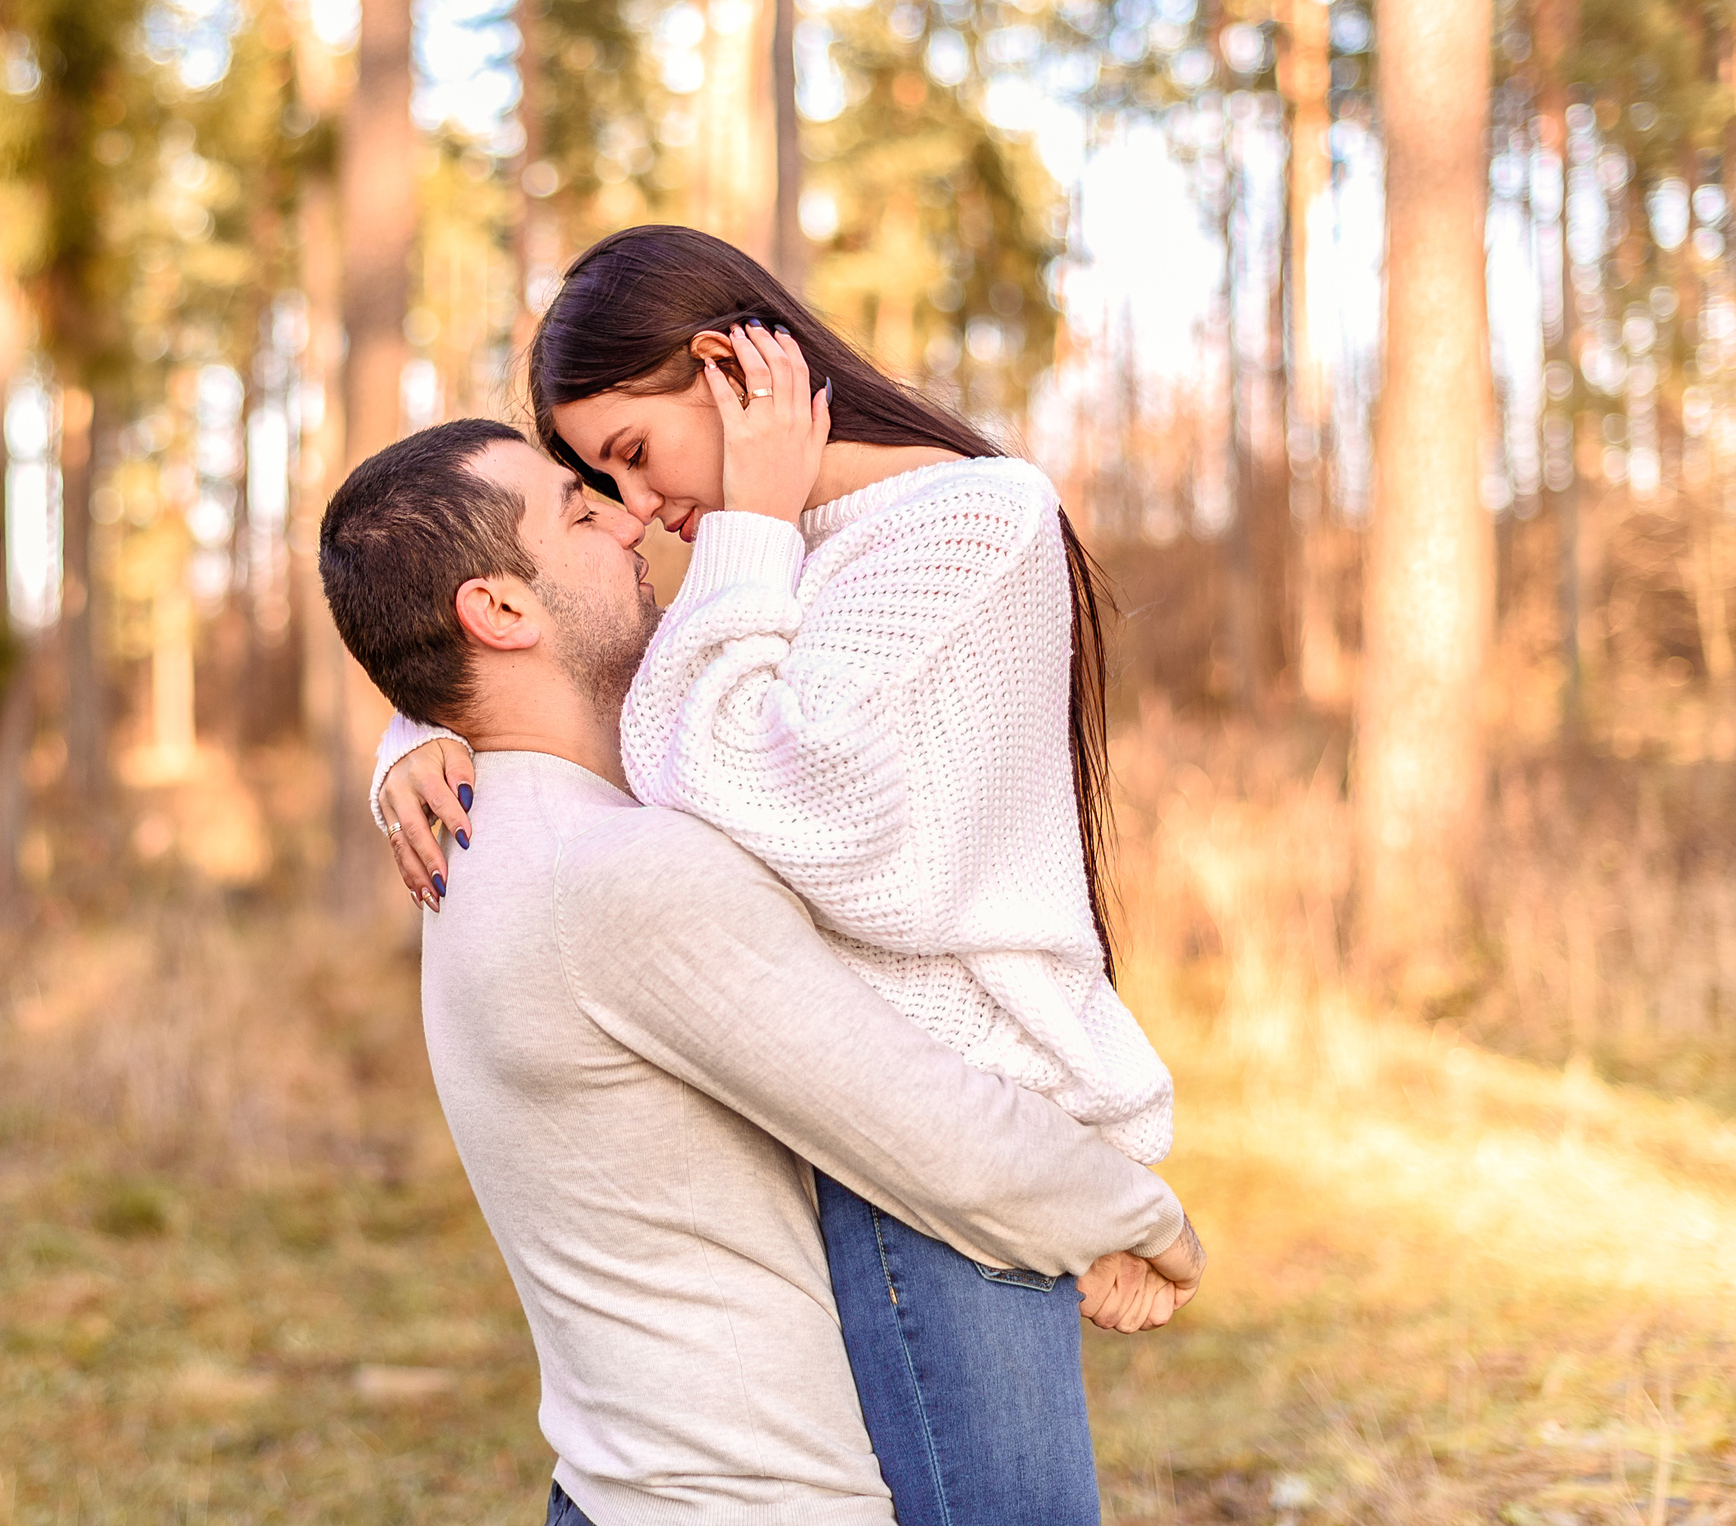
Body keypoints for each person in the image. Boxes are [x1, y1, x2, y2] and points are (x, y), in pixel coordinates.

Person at [371, 225, 1180, 1523]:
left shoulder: (971, 520)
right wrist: (420, 730)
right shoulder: (760, 552)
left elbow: (792, 807)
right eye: (595, 481)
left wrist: (745, 528)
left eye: (629, 454)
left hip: (964, 1163)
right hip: (852, 1139)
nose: (634, 506)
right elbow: (597, 696)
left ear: (729, 369)